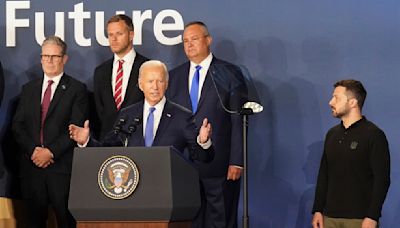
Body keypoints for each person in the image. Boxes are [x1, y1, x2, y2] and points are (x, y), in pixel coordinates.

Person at [166, 21, 247, 228]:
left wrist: (236, 160)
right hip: (183, 165)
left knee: (221, 220)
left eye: (194, 39)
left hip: (219, 163)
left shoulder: (229, 73)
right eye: (185, 41)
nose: (189, 44)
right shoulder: (173, 76)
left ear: (208, 40)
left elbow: (238, 119)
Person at [69, 60, 213, 163]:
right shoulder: (127, 115)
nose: (155, 87)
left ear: (167, 84)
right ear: (141, 85)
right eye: (150, 81)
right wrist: (87, 141)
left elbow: (202, 157)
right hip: (133, 189)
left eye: (160, 81)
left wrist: (203, 142)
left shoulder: (182, 116)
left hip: (168, 190)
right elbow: (107, 150)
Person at [12, 36, 88, 228]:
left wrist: (50, 152)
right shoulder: (28, 89)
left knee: (66, 222)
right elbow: (18, 126)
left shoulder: (77, 90)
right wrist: (34, 151)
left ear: (64, 59)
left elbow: (75, 128)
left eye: (55, 56)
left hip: (61, 169)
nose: (50, 61)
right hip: (32, 169)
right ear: (41, 58)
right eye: (46, 56)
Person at [312, 79, 390, 228]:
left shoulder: (374, 135)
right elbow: (324, 174)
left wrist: (372, 216)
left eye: (336, 98)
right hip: (329, 217)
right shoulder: (331, 135)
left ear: (353, 102)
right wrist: (317, 210)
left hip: (359, 219)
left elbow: (382, 180)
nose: (330, 102)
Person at [93, 14, 149, 139]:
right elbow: (99, 113)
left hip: (139, 143)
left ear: (131, 35)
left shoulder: (147, 67)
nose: (114, 39)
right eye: (110, 35)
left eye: (119, 34)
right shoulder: (100, 72)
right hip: (107, 146)